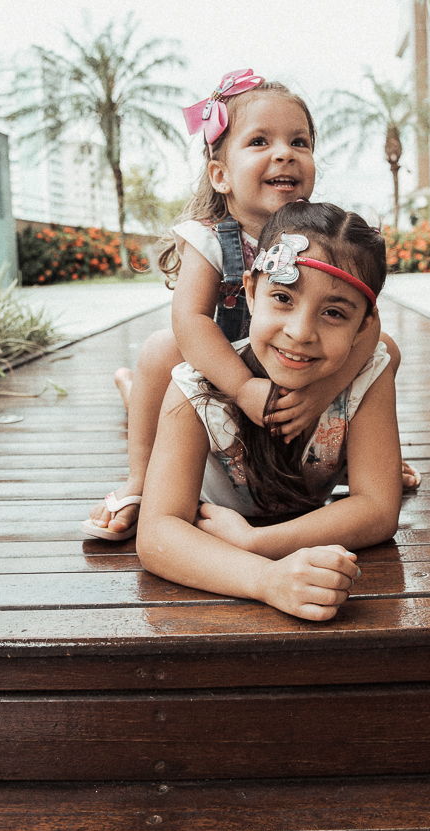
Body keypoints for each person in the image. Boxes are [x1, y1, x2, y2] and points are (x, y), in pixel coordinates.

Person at [81, 68, 417, 542]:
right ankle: (141, 473)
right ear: (220, 174)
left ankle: (364, 455)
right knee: (161, 351)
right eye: (260, 142)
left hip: (297, 368)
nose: (284, 152)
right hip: (226, 368)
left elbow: (369, 326)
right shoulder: (210, 239)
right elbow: (192, 318)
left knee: (385, 348)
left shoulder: (321, 240)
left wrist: (324, 394)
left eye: (299, 142)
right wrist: (240, 387)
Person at [137, 201, 403, 621]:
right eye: (282, 297)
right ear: (250, 290)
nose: (300, 332)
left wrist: (256, 543)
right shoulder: (195, 388)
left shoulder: (365, 381)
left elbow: (378, 509)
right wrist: (266, 580)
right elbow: (156, 535)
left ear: (364, 326)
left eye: (334, 313)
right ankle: (129, 389)